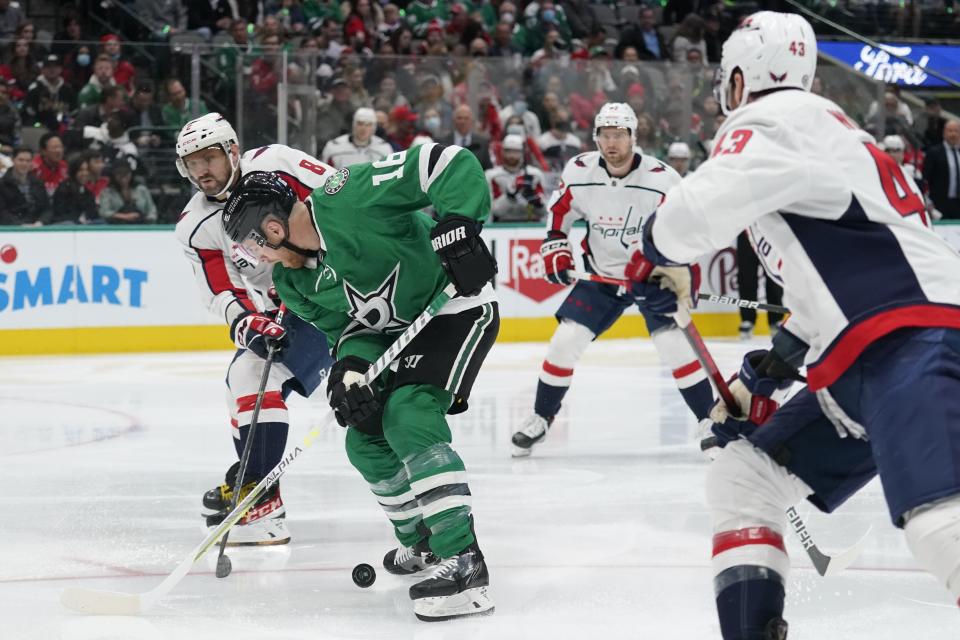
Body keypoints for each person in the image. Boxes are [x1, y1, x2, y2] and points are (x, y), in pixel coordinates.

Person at [625, 13, 960, 639]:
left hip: (912, 340)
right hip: (871, 353)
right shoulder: (824, 134)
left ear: (740, 78)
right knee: (742, 475)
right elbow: (815, 304)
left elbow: (689, 217)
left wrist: (652, 252)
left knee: (940, 525)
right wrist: (762, 379)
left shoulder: (771, 119)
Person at [220, 140, 499, 622]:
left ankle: (466, 563)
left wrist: (460, 224)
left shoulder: (347, 196)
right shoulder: (293, 283)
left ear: (273, 227)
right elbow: (349, 330)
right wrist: (349, 369)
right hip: (397, 335)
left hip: (455, 306)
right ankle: (424, 544)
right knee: (365, 441)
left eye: (256, 248)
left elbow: (444, 162)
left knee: (410, 414)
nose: (260, 262)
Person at [510, 103, 715, 457]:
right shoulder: (579, 171)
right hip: (602, 277)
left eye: (619, 135)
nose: (612, 143)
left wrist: (683, 279)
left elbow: (689, 232)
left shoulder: (663, 178)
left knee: (674, 346)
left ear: (634, 137)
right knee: (564, 342)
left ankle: (708, 422)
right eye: (605, 135)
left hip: (651, 279)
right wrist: (556, 246)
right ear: (596, 138)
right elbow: (559, 213)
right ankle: (540, 418)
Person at [174, 113, 335, 545]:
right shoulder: (195, 226)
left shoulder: (279, 164)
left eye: (210, 157)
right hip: (299, 307)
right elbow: (222, 288)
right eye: (193, 163)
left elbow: (344, 201)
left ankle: (257, 489)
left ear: (232, 151)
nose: (202, 170)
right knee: (243, 378)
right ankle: (260, 494)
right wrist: (248, 323)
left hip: (344, 290)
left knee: (249, 377)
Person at [485, 133, 546, 222]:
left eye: (516, 152)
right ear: (502, 152)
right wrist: (509, 196)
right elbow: (492, 211)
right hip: (502, 224)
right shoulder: (492, 175)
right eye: (508, 151)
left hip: (531, 223)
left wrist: (537, 202)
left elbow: (545, 212)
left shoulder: (535, 174)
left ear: (522, 153)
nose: (512, 156)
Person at [321, 107, 392, 167]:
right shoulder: (334, 147)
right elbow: (325, 175)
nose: (364, 128)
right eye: (360, 123)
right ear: (353, 125)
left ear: (374, 127)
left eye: (368, 125)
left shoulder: (384, 149)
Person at [0, 146, 50, 225]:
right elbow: (2, 212)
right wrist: (20, 225)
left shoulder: (38, 183)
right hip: (12, 229)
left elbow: (47, 208)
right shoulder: (2, 184)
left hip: (37, 227)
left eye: (28, 161)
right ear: (13, 160)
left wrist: (41, 222)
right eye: (21, 160)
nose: (24, 164)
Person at [922, 119, 960, 219]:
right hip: (939, 203)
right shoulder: (934, 152)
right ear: (944, 133)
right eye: (950, 131)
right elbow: (925, 178)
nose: (953, 134)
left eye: (956, 131)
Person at [50, 154, 96, 224]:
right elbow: (60, 212)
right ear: (74, 171)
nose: (85, 173)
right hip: (65, 224)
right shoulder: (64, 188)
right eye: (81, 170)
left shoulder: (87, 192)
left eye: (87, 170)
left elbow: (91, 212)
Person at [31, 132, 67, 196]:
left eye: (61, 147)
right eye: (54, 147)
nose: (59, 151)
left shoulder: (65, 167)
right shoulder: (33, 168)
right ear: (43, 151)